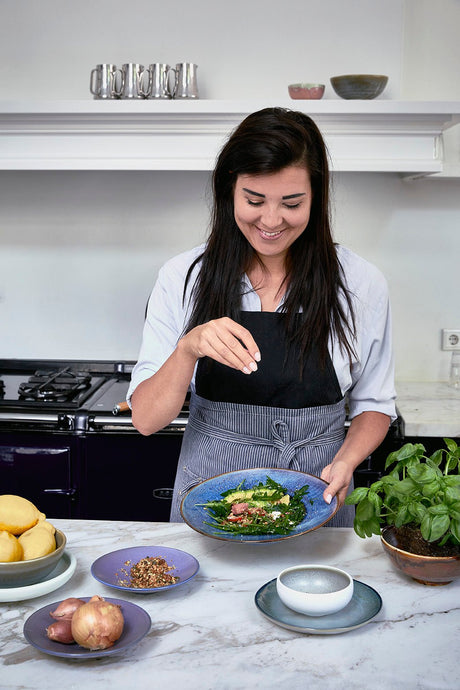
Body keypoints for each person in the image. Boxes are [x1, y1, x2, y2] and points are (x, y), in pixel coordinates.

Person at [127, 107, 396, 526]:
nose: (271, 221)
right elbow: (145, 420)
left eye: (292, 203)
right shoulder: (182, 276)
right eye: (254, 200)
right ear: (228, 192)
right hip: (210, 496)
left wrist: (347, 462)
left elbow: (375, 405)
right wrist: (188, 349)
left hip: (319, 495)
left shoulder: (361, 283)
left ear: (317, 198)